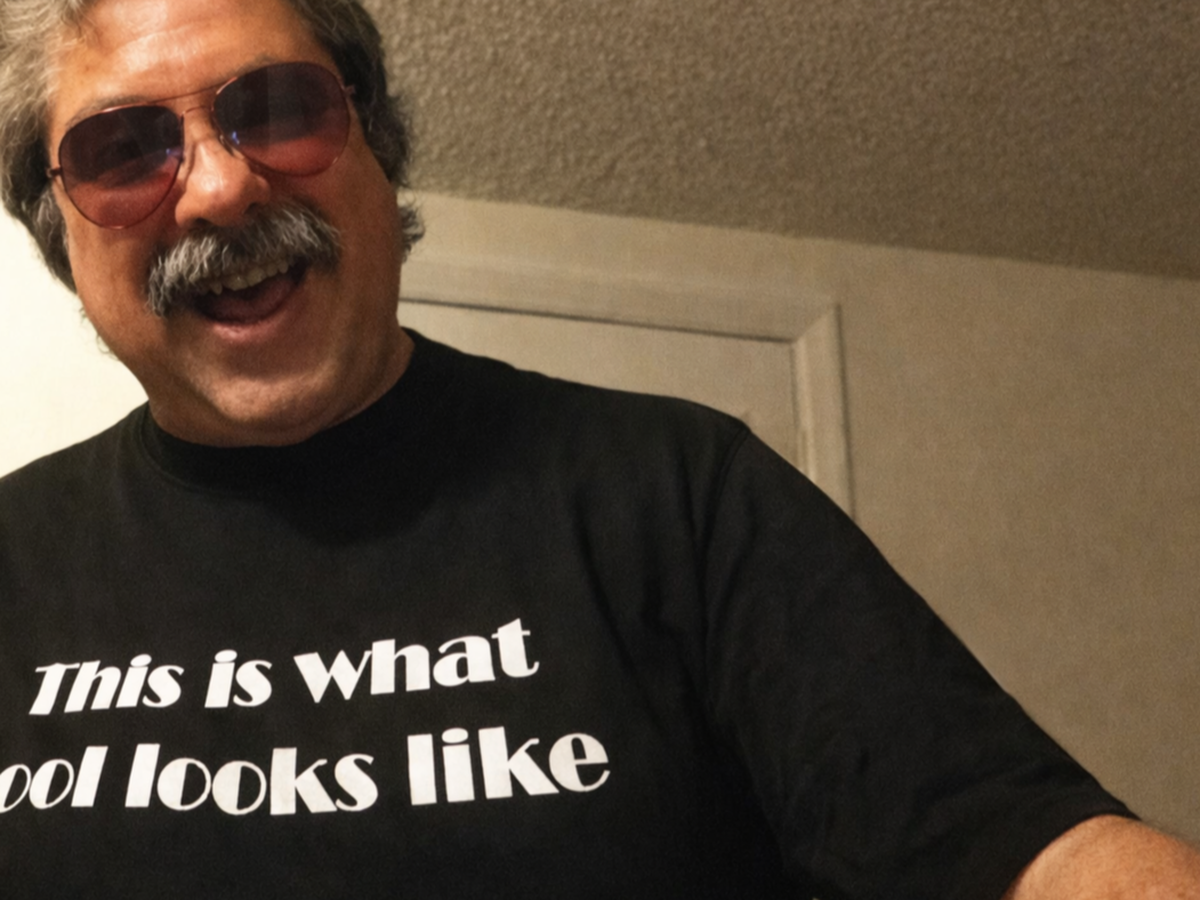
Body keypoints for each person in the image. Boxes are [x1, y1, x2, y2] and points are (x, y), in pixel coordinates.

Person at [0, 0, 1196, 896]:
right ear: (63, 239)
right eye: (124, 151)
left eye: (275, 109)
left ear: (373, 148)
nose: (219, 188)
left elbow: (1020, 851)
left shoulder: (677, 490)